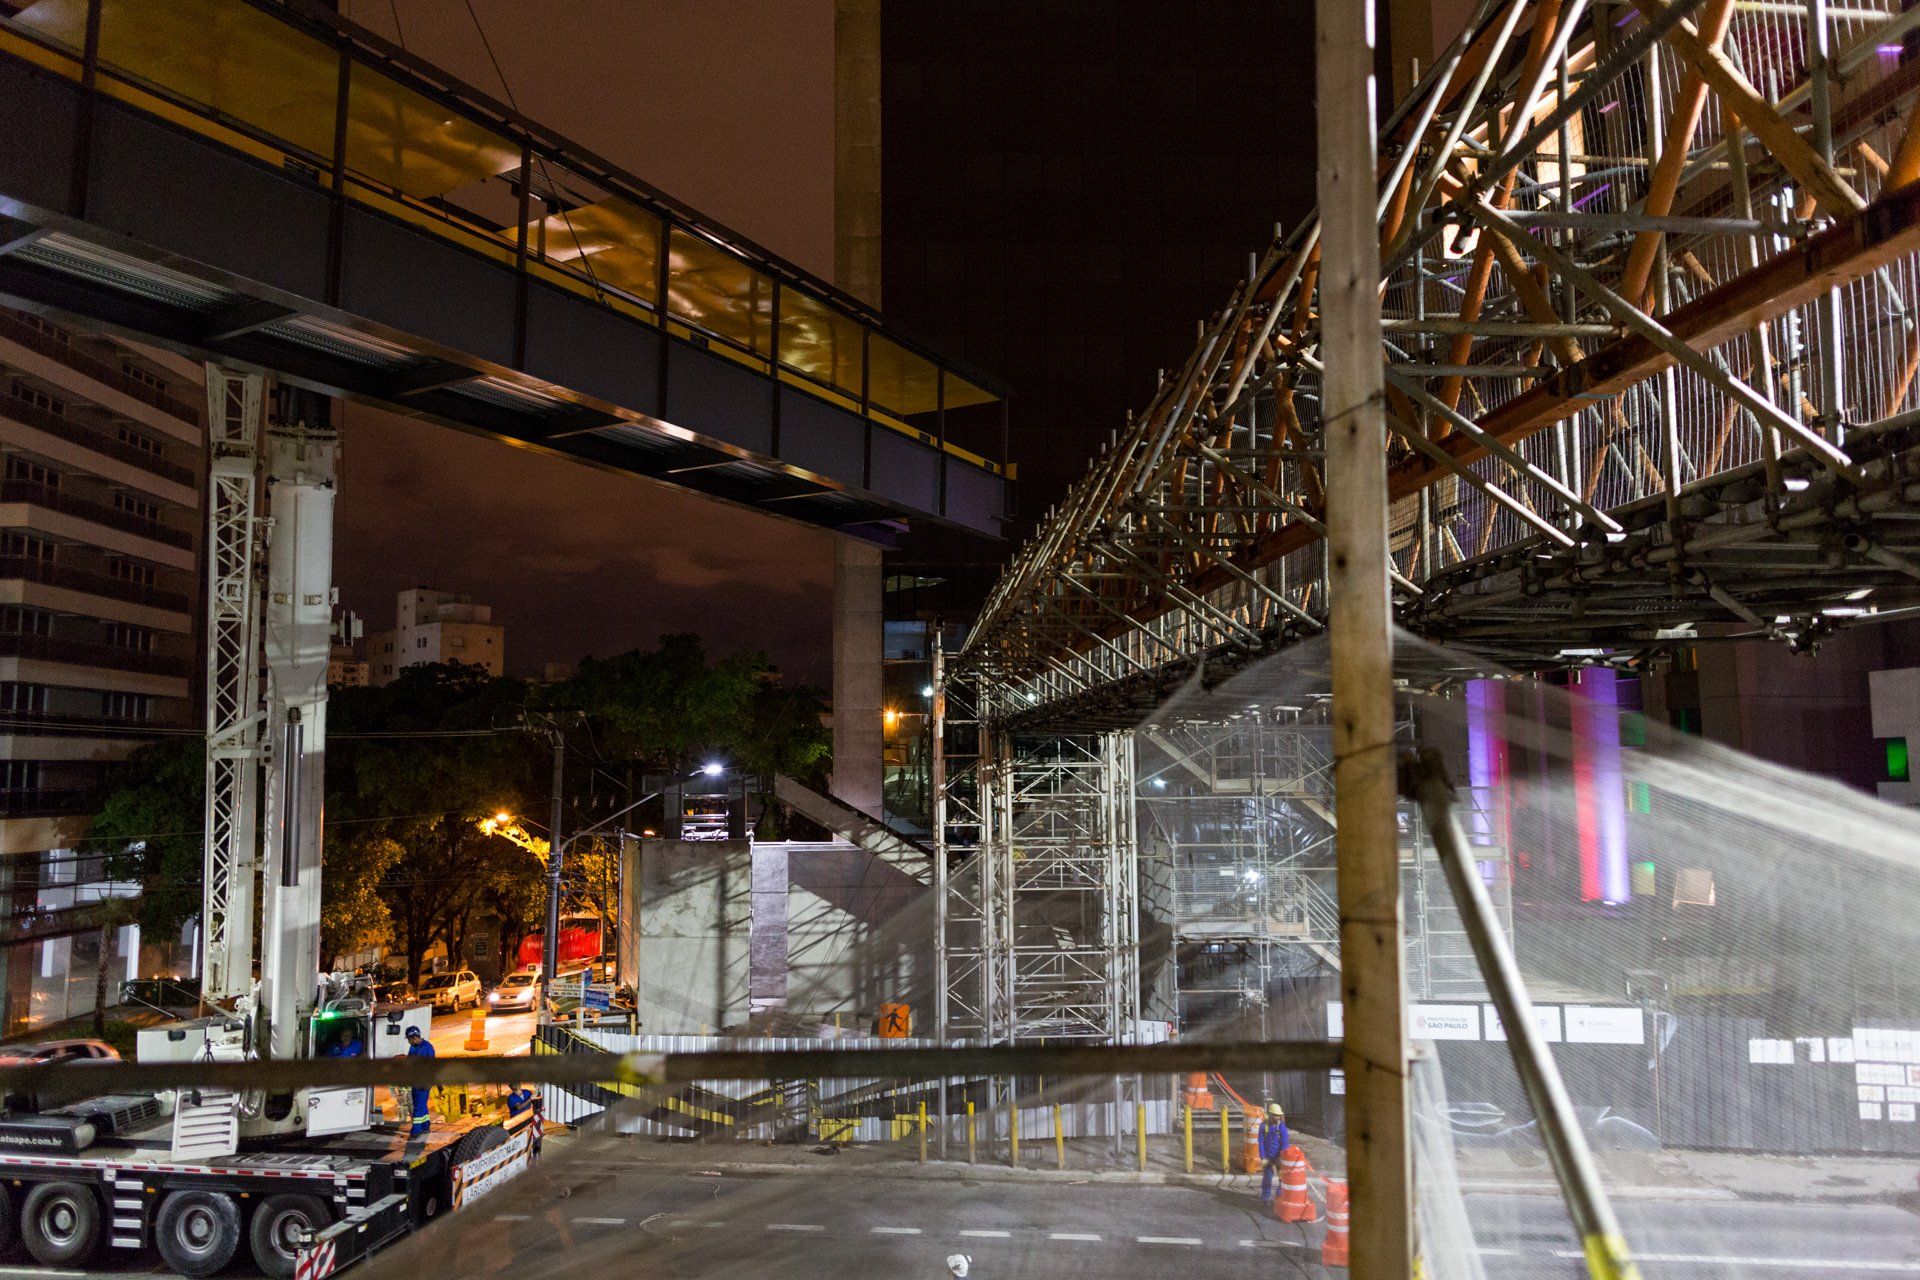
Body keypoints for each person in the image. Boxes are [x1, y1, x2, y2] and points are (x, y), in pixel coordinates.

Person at [404, 1025, 435, 1137]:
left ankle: (416, 1131)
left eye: (408, 1039)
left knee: (418, 1107)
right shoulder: (414, 1047)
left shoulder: (427, 1048)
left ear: (414, 1038)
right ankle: (425, 1125)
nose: (408, 1042)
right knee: (421, 1105)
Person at [1257, 1101, 1290, 1203]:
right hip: (1268, 1157)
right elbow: (1261, 1142)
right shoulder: (1263, 1126)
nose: (1278, 1117)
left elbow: (1285, 1144)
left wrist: (1281, 1158)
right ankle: (1265, 1197)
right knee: (1267, 1177)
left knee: (1283, 1179)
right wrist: (1263, 1157)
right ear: (1270, 1114)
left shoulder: (1281, 1127)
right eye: (1275, 1115)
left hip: (1279, 1157)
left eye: (1279, 1115)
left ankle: (1279, 1197)